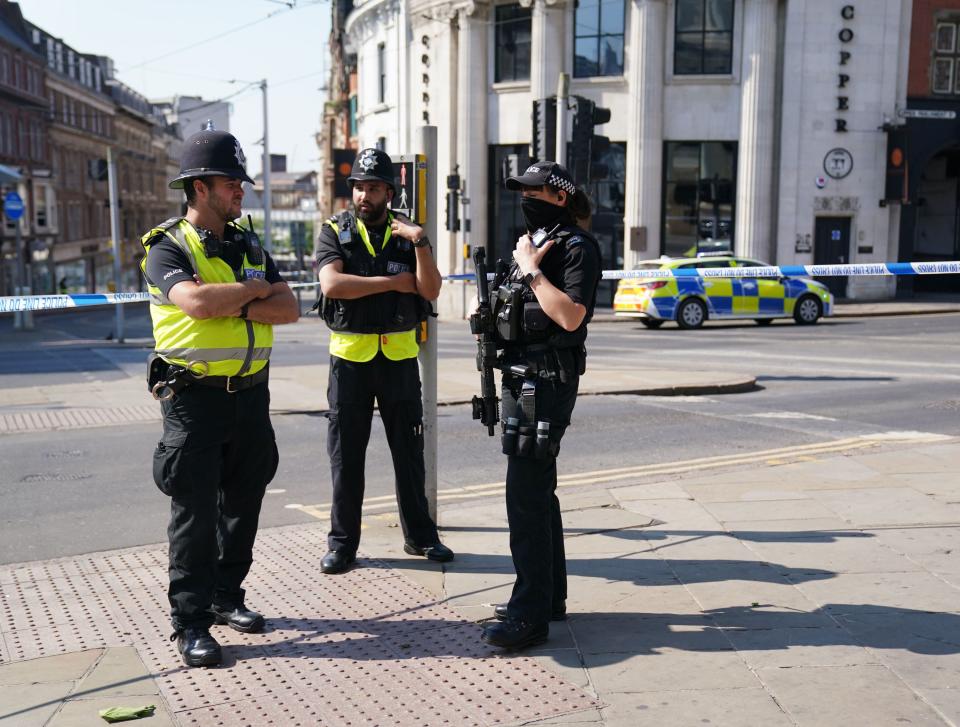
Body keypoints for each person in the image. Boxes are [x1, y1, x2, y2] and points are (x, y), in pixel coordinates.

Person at [140, 128, 299, 667]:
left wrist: (243, 300)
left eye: (242, 182)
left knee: (244, 503)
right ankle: (190, 623)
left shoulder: (248, 244)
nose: (242, 191)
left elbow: (291, 308)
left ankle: (227, 596)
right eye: (232, 182)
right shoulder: (167, 246)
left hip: (251, 396)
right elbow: (197, 303)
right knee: (194, 513)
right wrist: (256, 292)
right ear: (199, 187)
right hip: (195, 400)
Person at [479, 161, 601, 650]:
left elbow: (570, 317)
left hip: (546, 379)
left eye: (531, 191)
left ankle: (528, 613)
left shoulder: (575, 247)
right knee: (538, 492)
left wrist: (530, 271)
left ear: (558, 195)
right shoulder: (533, 240)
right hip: (522, 375)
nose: (522, 199)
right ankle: (548, 597)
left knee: (525, 498)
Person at [315, 147, 454, 574]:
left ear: (389, 192)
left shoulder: (408, 233)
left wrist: (422, 242)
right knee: (347, 459)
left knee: (409, 455)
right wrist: (392, 282)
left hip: (398, 360)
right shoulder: (333, 231)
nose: (363, 195)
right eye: (358, 187)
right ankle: (342, 545)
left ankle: (421, 536)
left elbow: (429, 290)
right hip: (351, 362)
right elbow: (333, 284)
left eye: (373, 187)